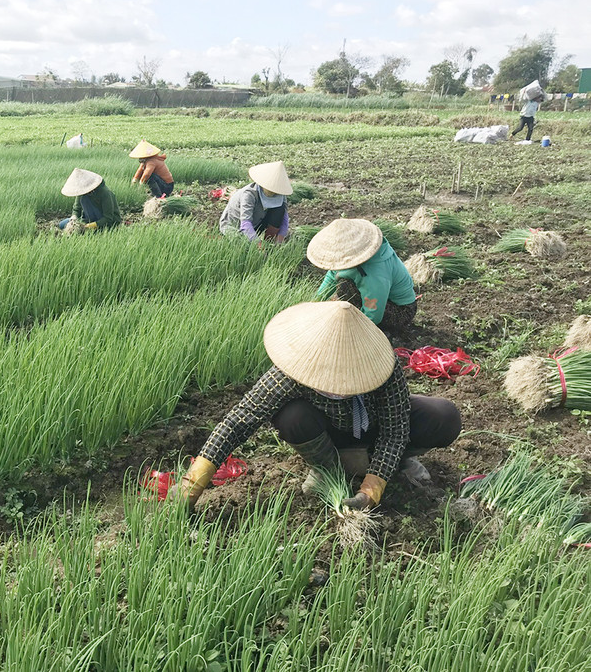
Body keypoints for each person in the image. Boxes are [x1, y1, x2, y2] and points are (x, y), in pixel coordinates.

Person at [170, 301, 462, 511]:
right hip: (328, 435)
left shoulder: (382, 364)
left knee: (444, 416)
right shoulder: (296, 367)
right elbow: (240, 420)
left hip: (373, 429)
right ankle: (328, 469)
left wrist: (370, 491)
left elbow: (396, 429)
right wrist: (193, 482)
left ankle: (392, 464)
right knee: (291, 416)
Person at [309, 218, 417, 337]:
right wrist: (313, 305)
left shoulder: (375, 272)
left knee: (345, 286)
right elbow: (332, 276)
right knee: (344, 284)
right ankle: (356, 317)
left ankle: (381, 331)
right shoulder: (347, 257)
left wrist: (356, 332)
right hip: (377, 297)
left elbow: (374, 313)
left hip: (400, 310)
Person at [219, 161, 293, 243]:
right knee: (246, 247)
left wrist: (280, 239)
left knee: (280, 209)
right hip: (237, 225)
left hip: (258, 221)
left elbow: (284, 218)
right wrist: (258, 244)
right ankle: (257, 243)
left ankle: (269, 242)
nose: (273, 192)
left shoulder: (280, 193)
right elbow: (245, 223)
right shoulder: (249, 194)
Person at [59, 168, 122, 232]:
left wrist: (89, 226)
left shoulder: (105, 193)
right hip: (88, 219)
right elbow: (76, 209)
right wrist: (74, 217)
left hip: (106, 222)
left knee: (86, 231)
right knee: (62, 224)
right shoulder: (81, 193)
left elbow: (108, 218)